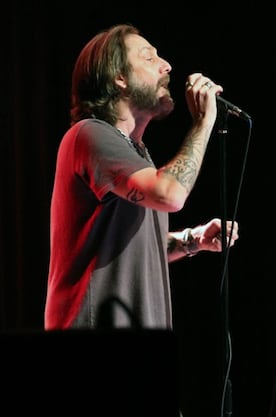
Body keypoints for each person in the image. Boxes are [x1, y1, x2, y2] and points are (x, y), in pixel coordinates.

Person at [45, 24, 239, 330]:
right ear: (119, 77)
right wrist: (203, 123)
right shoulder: (90, 134)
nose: (167, 65)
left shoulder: (137, 154)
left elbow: (136, 246)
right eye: (149, 57)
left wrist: (192, 240)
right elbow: (171, 194)